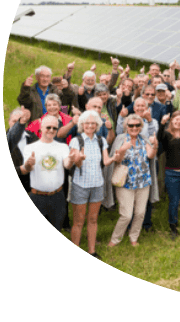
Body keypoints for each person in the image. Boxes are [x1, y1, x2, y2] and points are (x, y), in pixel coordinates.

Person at [108, 114, 158, 247]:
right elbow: (116, 160)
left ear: (141, 127)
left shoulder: (144, 139)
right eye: (131, 125)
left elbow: (150, 155)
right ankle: (115, 239)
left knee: (140, 213)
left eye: (137, 125)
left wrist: (155, 146)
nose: (134, 128)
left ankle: (133, 237)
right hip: (125, 182)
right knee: (126, 215)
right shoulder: (120, 139)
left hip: (143, 182)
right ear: (126, 126)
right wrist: (123, 149)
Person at [68, 110, 112, 259]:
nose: (90, 125)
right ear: (82, 124)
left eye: (93, 123)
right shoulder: (76, 141)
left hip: (97, 184)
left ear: (97, 125)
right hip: (80, 185)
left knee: (93, 219)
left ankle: (92, 251)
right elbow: (76, 164)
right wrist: (79, 158)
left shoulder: (101, 140)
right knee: (78, 221)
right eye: (87, 123)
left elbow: (106, 162)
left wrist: (117, 157)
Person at [19, 116, 76, 229]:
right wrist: (29, 164)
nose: (51, 130)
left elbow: (67, 165)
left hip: (58, 196)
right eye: (48, 127)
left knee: (57, 227)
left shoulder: (63, 147)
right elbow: (26, 169)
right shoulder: (30, 148)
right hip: (37, 197)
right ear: (41, 128)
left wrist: (71, 160)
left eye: (54, 128)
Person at [8, 106, 35, 193]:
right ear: (9, 122)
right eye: (14, 121)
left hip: (33, 185)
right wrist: (20, 169)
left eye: (19, 121)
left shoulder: (33, 137)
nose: (17, 125)